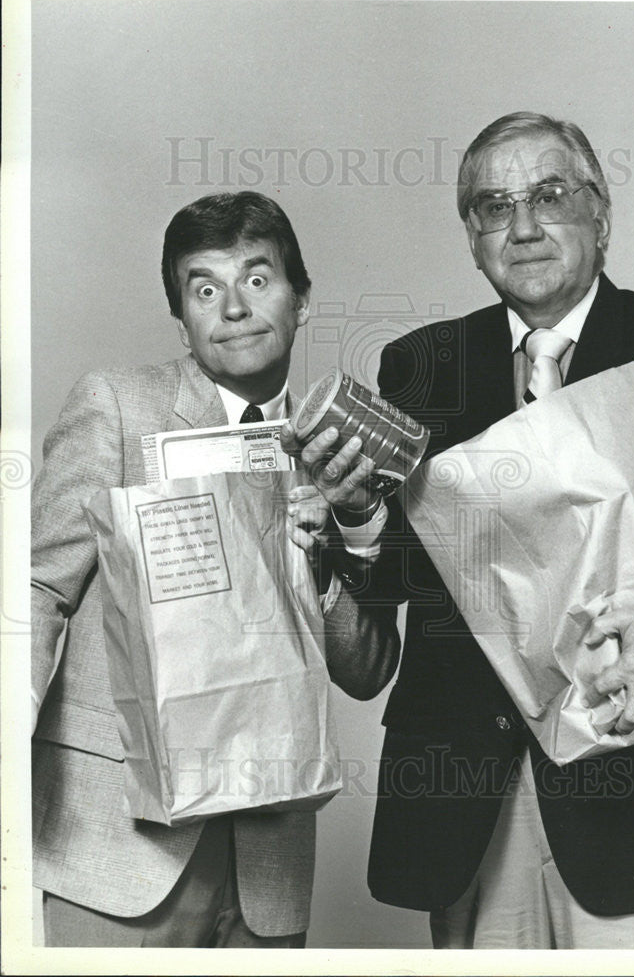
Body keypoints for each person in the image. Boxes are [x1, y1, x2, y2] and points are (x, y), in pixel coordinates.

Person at [291, 112, 634, 949]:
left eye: (548, 196)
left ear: (600, 211)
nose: (524, 226)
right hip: (471, 801)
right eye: (493, 207)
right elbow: (399, 588)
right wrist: (355, 520)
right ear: (471, 237)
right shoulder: (420, 365)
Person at [31, 190, 398, 948]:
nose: (233, 307)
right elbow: (36, 593)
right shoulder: (119, 406)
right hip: (117, 847)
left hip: (266, 865)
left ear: (302, 299)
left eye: (258, 280)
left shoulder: (334, 453)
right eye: (205, 288)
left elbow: (367, 670)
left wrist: (324, 566)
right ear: (182, 318)